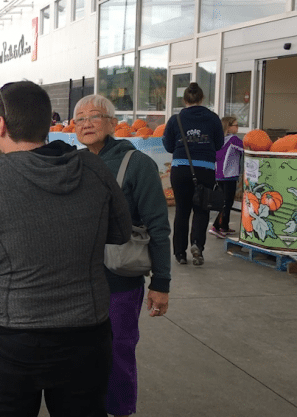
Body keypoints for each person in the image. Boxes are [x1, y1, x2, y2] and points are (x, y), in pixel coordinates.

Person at [0, 81, 132, 417]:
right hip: (88, 337)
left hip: (14, 342)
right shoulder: (94, 170)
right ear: (48, 123)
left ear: (0, 125)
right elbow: (120, 233)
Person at [74, 94, 171, 417]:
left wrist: (161, 282)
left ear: (113, 123)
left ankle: (120, 411)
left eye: (94, 116)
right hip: (75, 283)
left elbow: (158, 226)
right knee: (80, 357)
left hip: (119, 283)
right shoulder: (72, 163)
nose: (86, 123)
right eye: (80, 118)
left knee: (118, 352)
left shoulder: (137, 165)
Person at [162, 82, 224, 265]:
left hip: (181, 169)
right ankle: (197, 245)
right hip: (205, 169)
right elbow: (219, 144)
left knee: (182, 210)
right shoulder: (213, 119)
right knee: (202, 208)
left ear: (185, 100)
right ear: (202, 98)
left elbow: (168, 145)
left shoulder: (176, 119)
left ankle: (180, 254)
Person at [209, 116, 243, 238]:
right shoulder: (234, 139)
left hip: (218, 175)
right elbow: (246, 150)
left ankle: (223, 226)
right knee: (227, 202)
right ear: (229, 127)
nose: (238, 127)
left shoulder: (218, 140)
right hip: (229, 176)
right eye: (236, 125)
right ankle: (218, 227)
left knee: (224, 202)